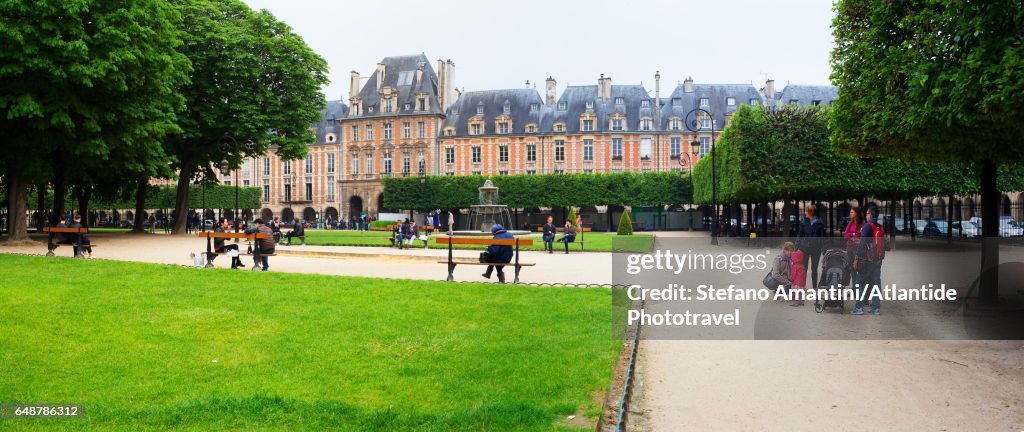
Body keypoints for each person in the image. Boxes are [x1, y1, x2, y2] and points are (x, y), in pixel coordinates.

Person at [852, 206, 885, 315]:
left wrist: (857, 257)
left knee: (859, 282)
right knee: (876, 283)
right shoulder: (880, 226)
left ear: (870, 214)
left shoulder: (868, 226)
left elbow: (862, 244)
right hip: (878, 259)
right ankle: (876, 308)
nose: (866, 216)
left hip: (867, 259)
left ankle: (859, 307)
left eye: (867, 214)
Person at [796, 204, 825, 289]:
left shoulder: (819, 222)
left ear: (810, 212)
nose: (805, 213)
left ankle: (814, 287)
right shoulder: (803, 221)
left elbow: (822, 237)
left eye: (806, 211)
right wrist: (796, 248)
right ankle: (803, 286)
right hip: (804, 248)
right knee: (804, 267)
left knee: (814, 269)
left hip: (816, 248)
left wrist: (824, 249)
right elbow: (800, 235)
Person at [843, 207, 865, 286]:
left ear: (856, 213)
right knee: (851, 269)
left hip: (858, 250)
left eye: (852, 212)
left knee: (858, 268)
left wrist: (852, 235)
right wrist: (853, 234)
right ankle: (854, 288)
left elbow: (862, 237)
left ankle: (859, 288)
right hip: (849, 248)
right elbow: (845, 235)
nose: (850, 213)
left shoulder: (862, 225)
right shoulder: (850, 223)